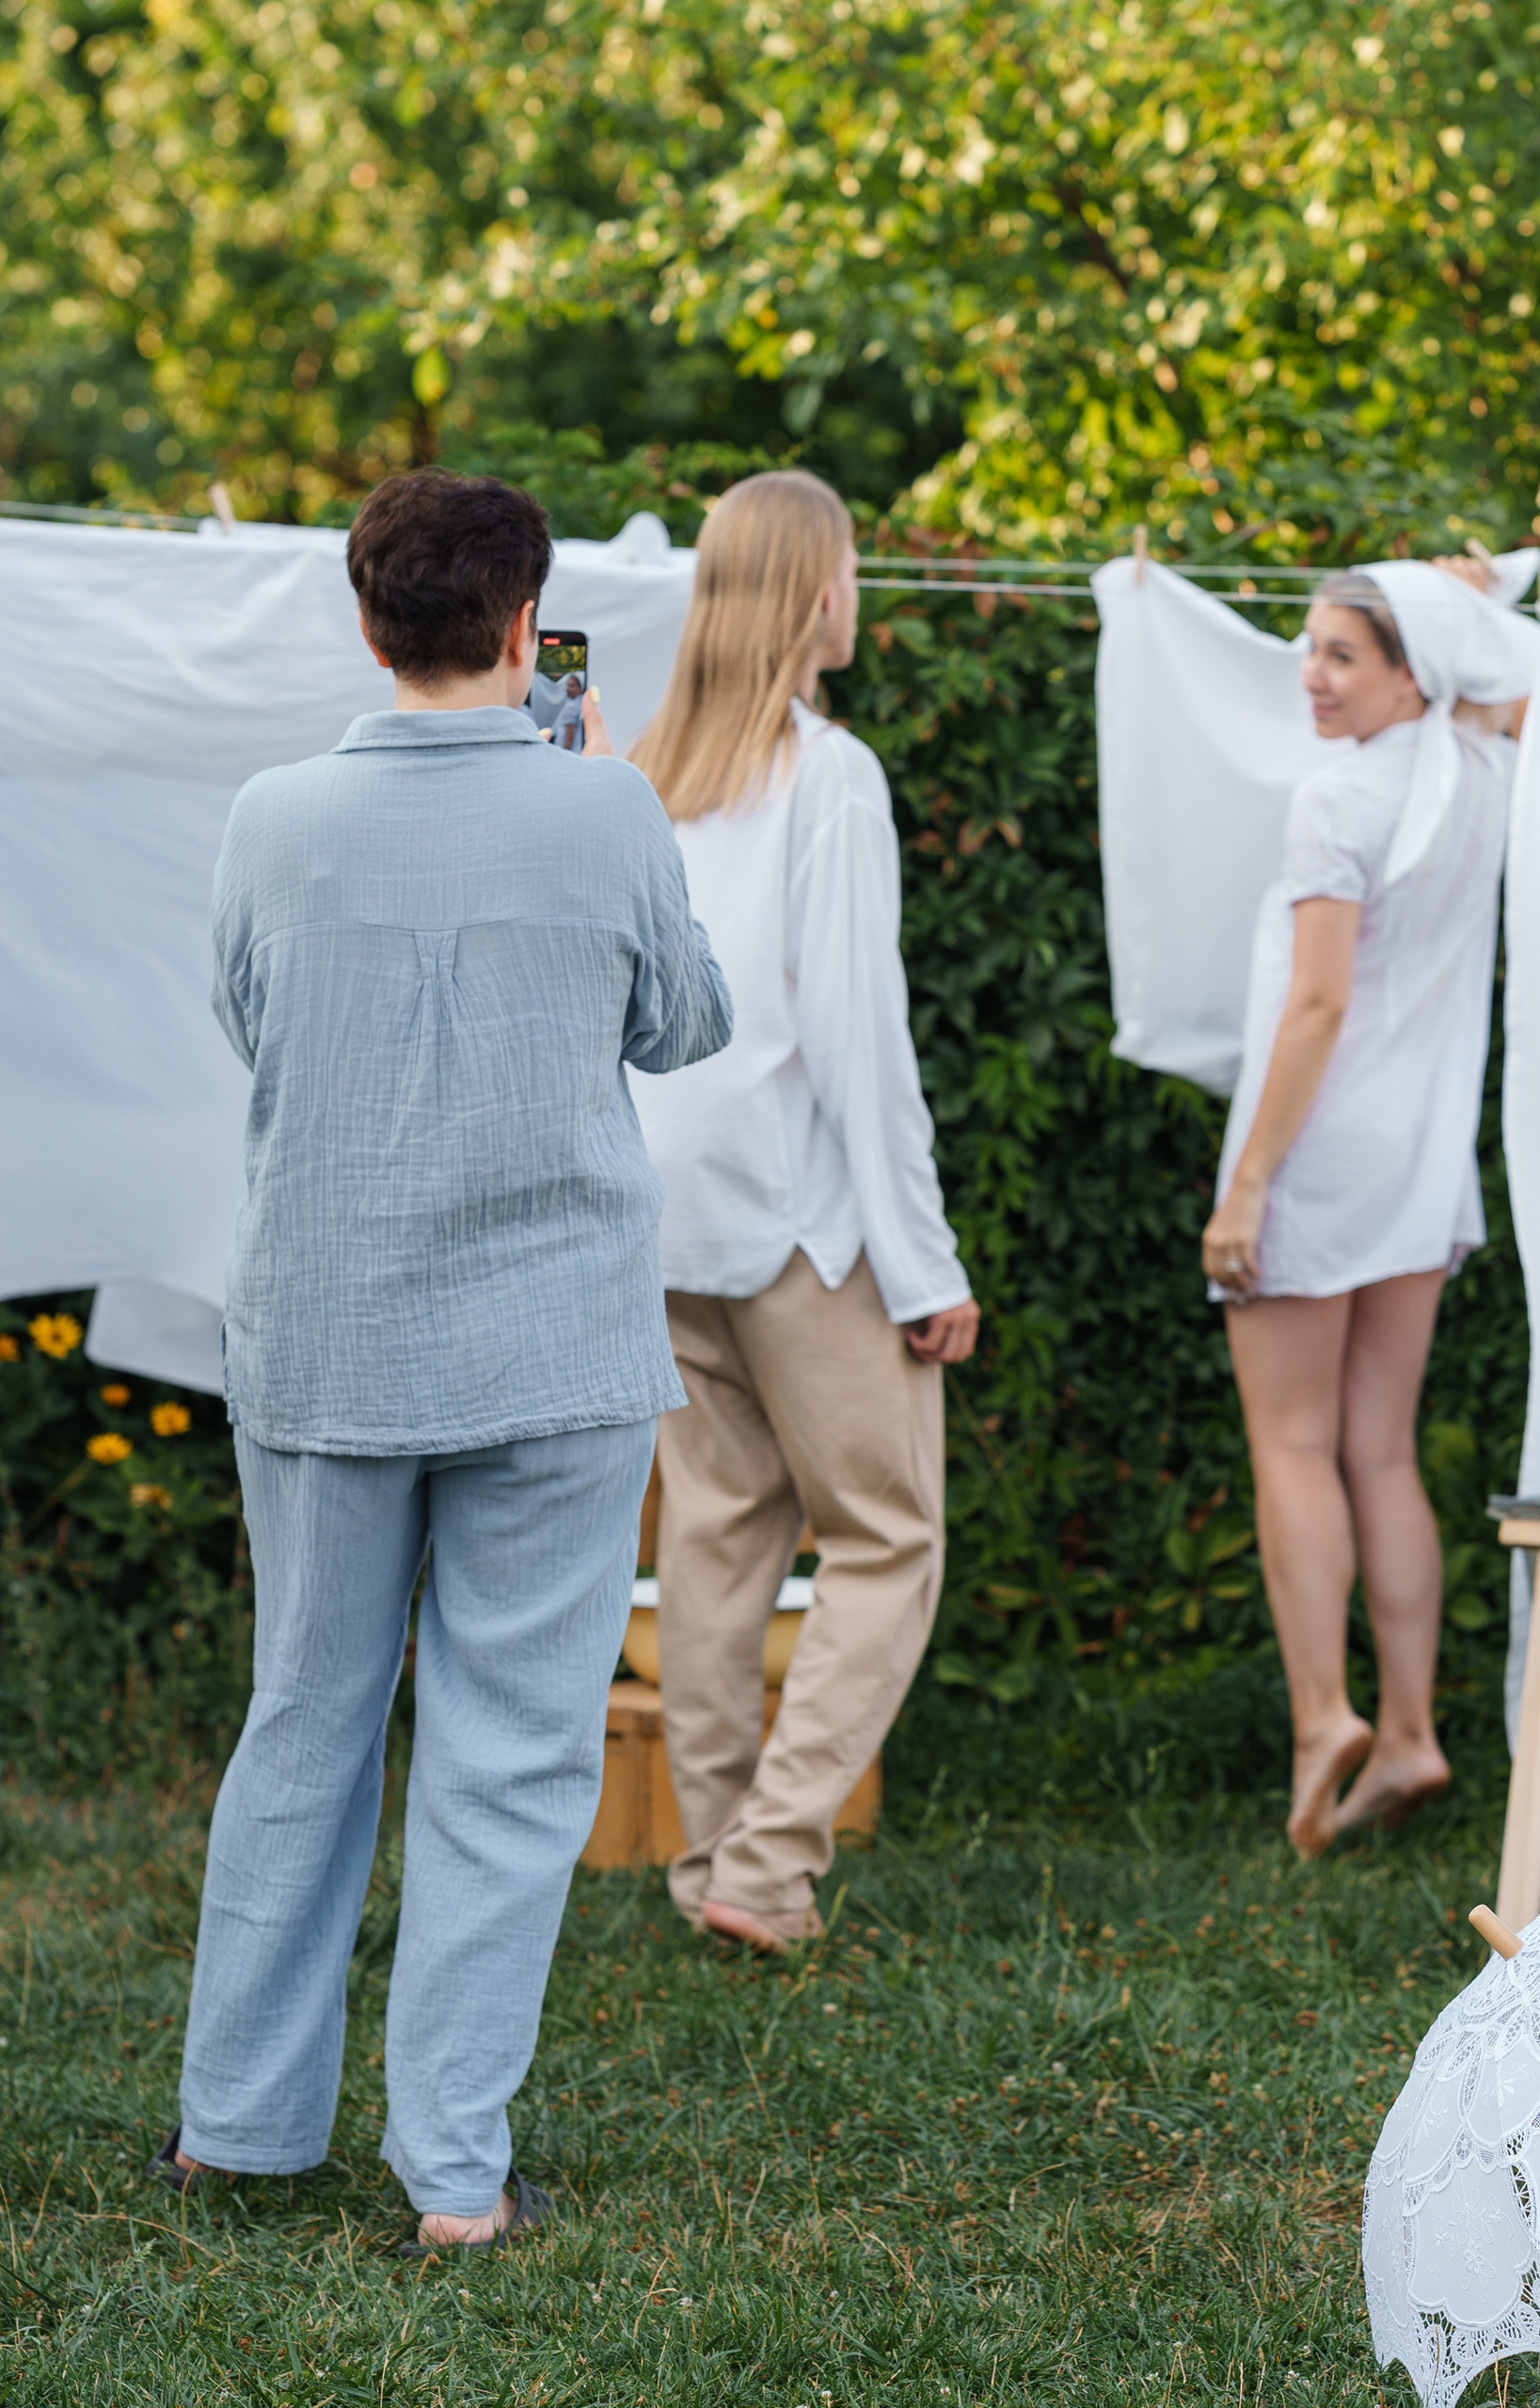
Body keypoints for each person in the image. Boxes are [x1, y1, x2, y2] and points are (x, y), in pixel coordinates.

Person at [157, 469, 733, 2251]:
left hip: (325, 1337)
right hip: (552, 1351)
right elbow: (686, 1021)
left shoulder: (268, 817)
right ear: (520, 625)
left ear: (363, 619)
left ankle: (237, 2135)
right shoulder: (610, 808)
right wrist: (587, 794)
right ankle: (456, 2183)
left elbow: (248, 1020)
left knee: (303, 1724)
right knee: (511, 1759)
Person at [627, 469, 977, 1955]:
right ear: (809, 594)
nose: (857, 596)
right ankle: (767, 1872)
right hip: (796, 1221)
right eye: (845, 569)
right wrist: (925, 1262)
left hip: (664, 1213)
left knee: (714, 1538)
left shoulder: (642, 772)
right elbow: (857, 1040)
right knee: (889, 1539)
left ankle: (710, 1857)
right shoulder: (830, 775)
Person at [1201, 562, 1536, 1857]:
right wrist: (1478, 589)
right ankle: (1409, 1726)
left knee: (1291, 1446)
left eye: (1344, 655)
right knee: (1380, 1450)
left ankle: (1324, 1717)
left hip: (1319, 1149)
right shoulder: (1484, 773)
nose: (1313, 676)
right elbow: (1515, 678)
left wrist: (1246, 1189)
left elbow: (1319, 1005)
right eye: (1311, 649)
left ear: (1412, 673)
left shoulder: (1337, 799)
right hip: (1419, 1157)